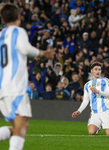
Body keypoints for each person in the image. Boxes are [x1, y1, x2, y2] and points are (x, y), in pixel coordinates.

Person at [0, 3, 54, 150]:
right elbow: (26, 49)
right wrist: (43, 53)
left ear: (3, 19)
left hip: (3, 88)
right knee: (21, 125)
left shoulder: (1, 35)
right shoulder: (18, 32)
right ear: (19, 16)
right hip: (14, 87)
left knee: (21, 126)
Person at [72, 61, 109, 136]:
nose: (98, 71)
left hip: (106, 110)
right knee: (91, 132)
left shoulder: (105, 81)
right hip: (95, 112)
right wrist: (79, 111)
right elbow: (85, 101)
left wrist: (99, 92)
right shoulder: (87, 85)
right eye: (96, 69)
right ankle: (98, 126)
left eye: (99, 69)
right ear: (91, 71)